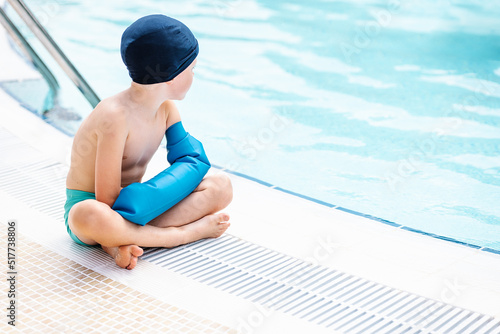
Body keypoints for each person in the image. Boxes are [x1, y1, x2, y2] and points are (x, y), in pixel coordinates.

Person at [64, 14, 233, 270]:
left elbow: (191, 161)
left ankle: (119, 241)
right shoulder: (115, 117)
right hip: (98, 208)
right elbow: (107, 200)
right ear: (172, 74)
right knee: (89, 214)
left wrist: (157, 197)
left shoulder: (167, 110)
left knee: (221, 186)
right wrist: (172, 222)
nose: (194, 76)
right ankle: (180, 235)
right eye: (192, 69)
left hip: (136, 210)